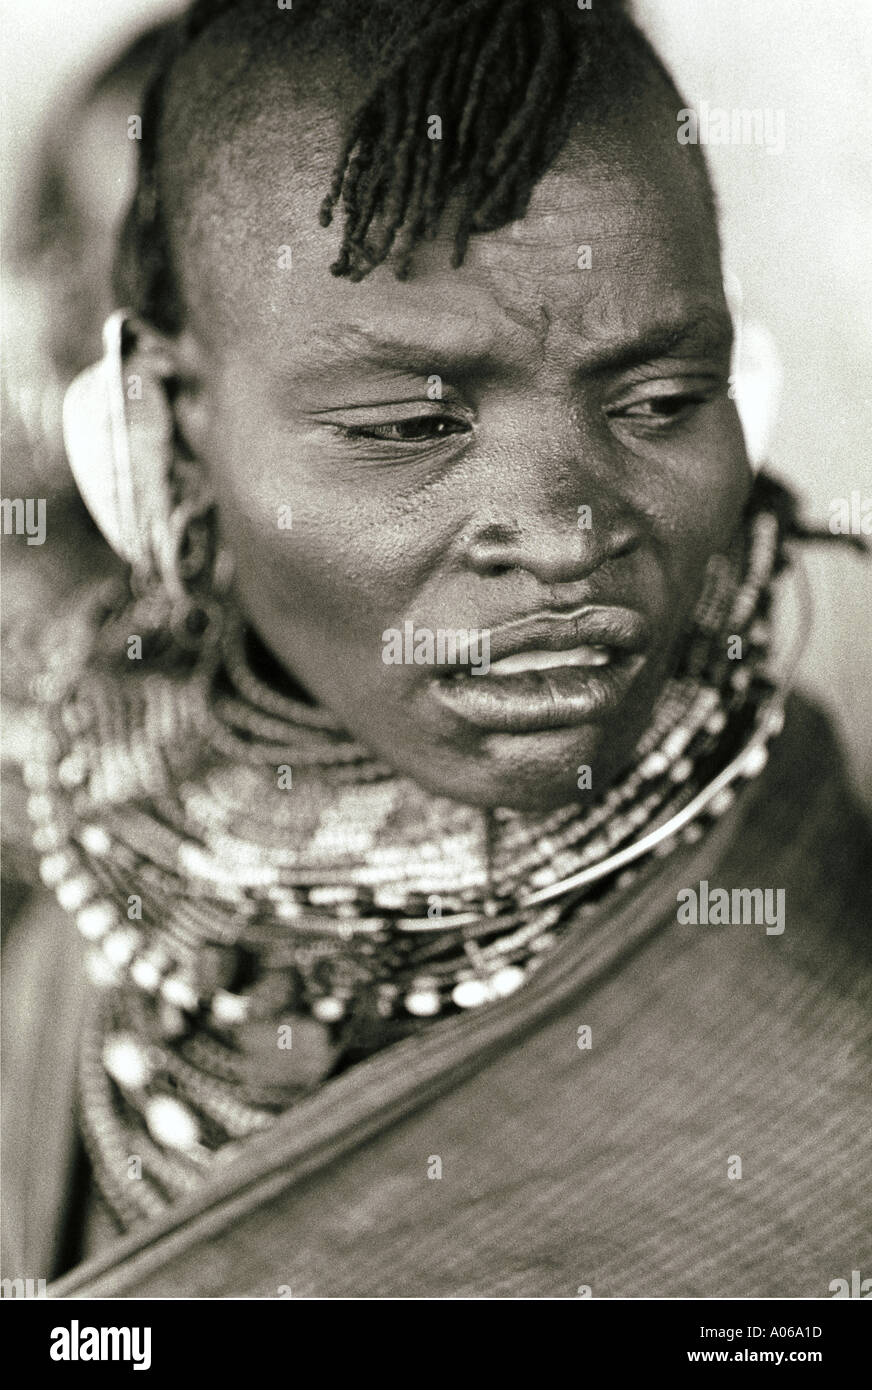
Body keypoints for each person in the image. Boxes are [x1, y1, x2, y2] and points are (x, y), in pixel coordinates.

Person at [2, 0, 869, 1298]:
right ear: (171, 436)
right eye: (408, 425)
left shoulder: (824, 1085)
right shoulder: (94, 918)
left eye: (662, 403)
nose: (567, 539)